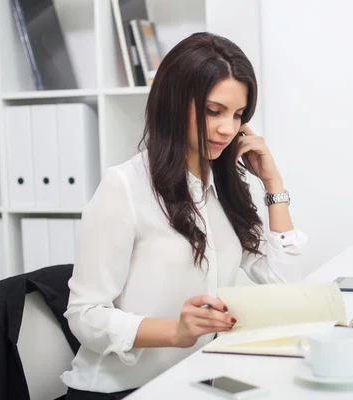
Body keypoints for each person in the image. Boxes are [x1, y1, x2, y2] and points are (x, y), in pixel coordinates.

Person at [60, 32, 307, 399]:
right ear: (174, 104)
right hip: (122, 390)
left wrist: (273, 183)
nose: (228, 129)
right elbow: (85, 315)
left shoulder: (223, 187)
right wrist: (176, 331)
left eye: (238, 115)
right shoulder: (124, 187)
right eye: (214, 111)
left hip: (195, 381)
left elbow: (285, 282)